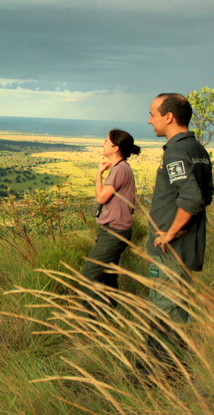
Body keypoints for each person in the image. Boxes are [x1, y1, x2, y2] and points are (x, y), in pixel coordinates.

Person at [146, 93, 214, 364]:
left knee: (163, 307)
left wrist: (171, 231)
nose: (149, 120)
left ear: (169, 117)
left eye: (152, 114)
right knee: (179, 306)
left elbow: (193, 198)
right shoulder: (197, 149)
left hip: (171, 247)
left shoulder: (175, 151)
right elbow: (206, 194)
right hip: (189, 245)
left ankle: (156, 374)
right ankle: (177, 368)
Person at [81, 129, 140, 308]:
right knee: (108, 275)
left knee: (90, 274)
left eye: (106, 142)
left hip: (114, 232)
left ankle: (96, 318)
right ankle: (110, 315)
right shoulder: (120, 169)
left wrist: (98, 174)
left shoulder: (119, 170)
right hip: (114, 230)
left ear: (116, 148)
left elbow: (101, 198)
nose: (103, 144)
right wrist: (100, 173)